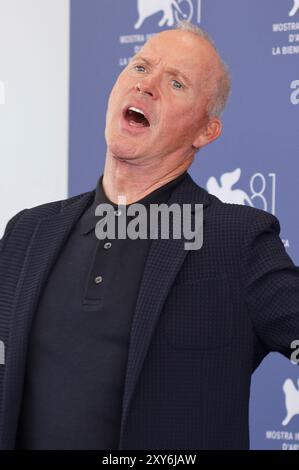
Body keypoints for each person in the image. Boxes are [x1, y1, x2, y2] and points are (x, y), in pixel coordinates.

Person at [0, 21, 298, 451]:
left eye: (176, 83)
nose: (147, 86)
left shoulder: (238, 241)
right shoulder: (28, 232)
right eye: (141, 67)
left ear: (205, 131)